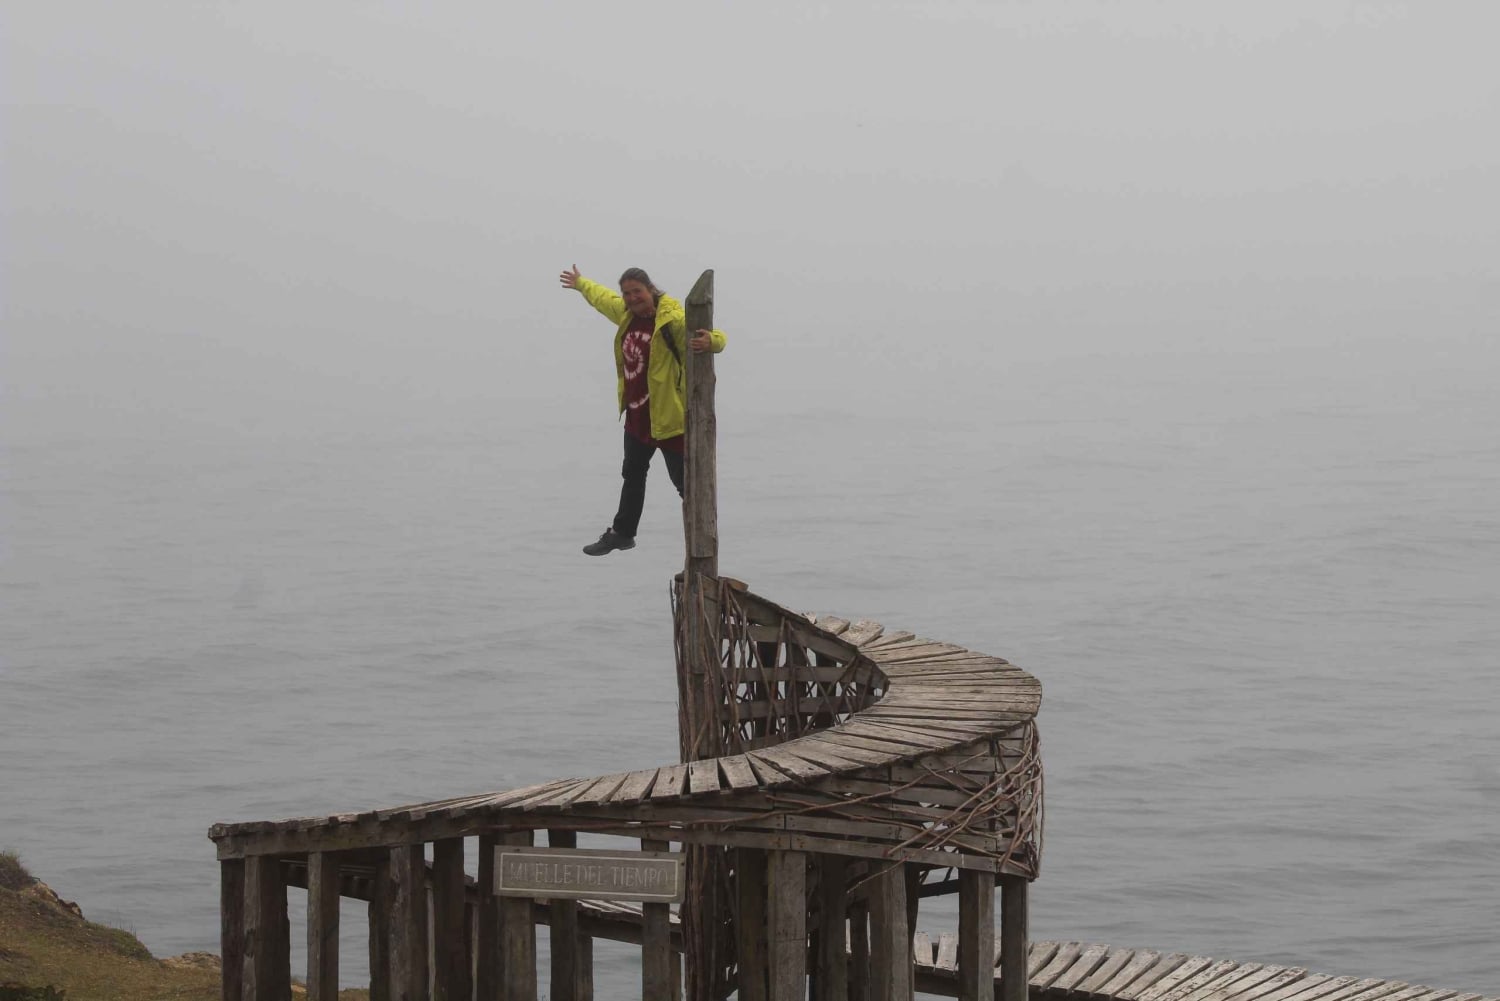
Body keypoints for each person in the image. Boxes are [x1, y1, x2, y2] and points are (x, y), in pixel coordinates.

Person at [559, 264, 727, 555]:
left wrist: (710, 341)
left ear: (650, 289)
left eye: (637, 291)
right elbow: (603, 299)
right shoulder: (626, 315)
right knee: (632, 475)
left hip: (669, 419)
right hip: (638, 417)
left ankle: (702, 543)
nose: (632, 298)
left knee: (686, 484)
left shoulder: (671, 320)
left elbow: (718, 337)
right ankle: (623, 533)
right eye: (627, 293)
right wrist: (581, 283)